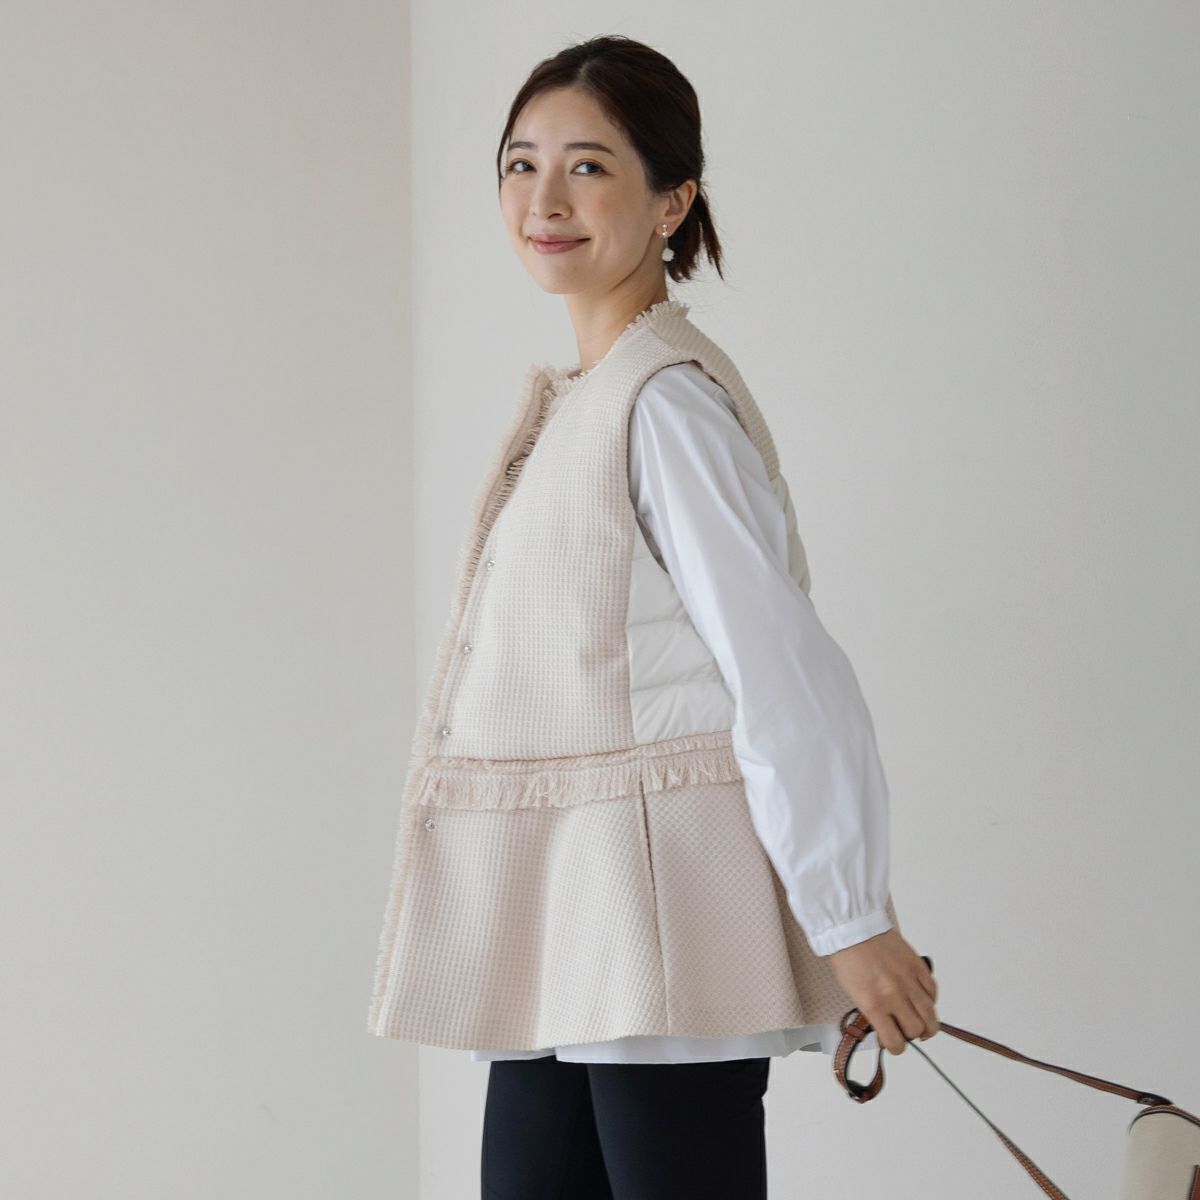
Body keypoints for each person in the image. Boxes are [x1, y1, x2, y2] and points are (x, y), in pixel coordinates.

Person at [367, 34, 939, 1199]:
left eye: (588, 166)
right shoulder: (592, 402)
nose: (545, 200)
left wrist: (850, 913)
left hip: (661, 929)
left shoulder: (664, 405)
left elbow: (780, 666)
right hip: (567, 932)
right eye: (521, 163)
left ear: (673, 200)